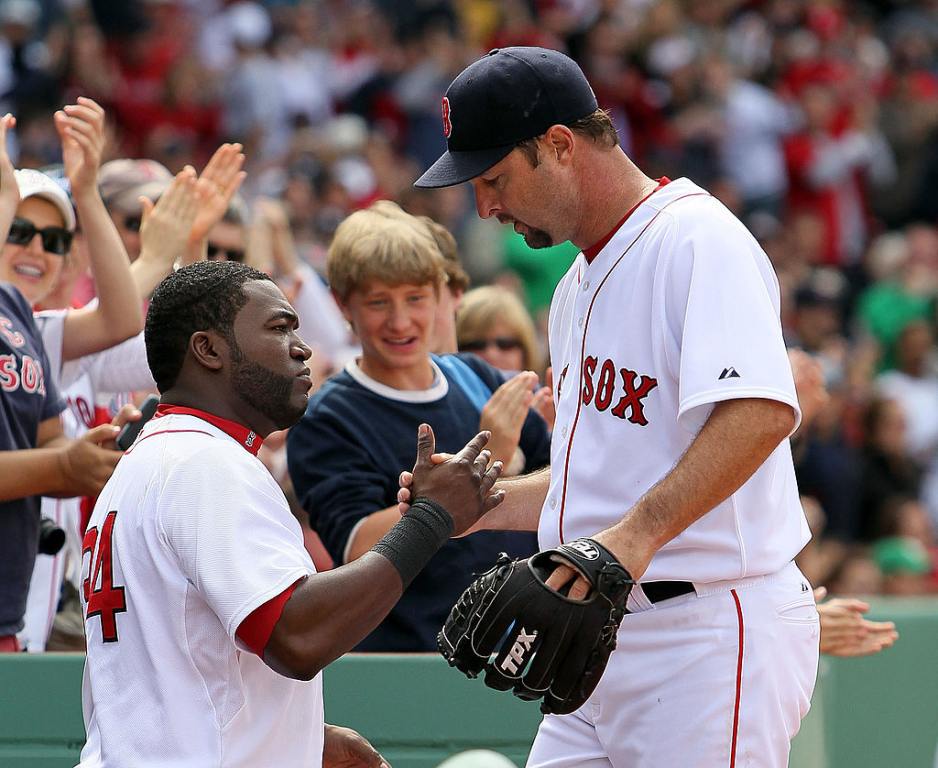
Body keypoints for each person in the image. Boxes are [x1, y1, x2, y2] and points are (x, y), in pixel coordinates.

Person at [407, 47, 819, 766]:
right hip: (600, 633)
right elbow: (598, 480)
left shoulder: (696, 238)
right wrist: (485, 502)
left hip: (705, 632)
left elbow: (759, 413)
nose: (485, 205)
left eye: (495, 177)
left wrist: (629, 541)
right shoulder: (573, 287)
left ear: (559, 146)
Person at [78, 259, 504, 766]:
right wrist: (430, 520)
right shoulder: (205, 461)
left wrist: (300, 739)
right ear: (208, 349)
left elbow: (183, 672)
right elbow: (296, 637)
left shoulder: (154, 459)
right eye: (279, 328)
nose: (302, 348)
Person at [287, 203, 549, 651]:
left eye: (414, 298)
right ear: (342, 304)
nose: (400, 321)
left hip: (520, 652)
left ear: (441, 294)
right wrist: (484, 468)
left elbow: (562, 493)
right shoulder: (326, 417)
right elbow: (355, 549)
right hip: (408, 664)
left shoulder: (477, 377)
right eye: (377, 302)